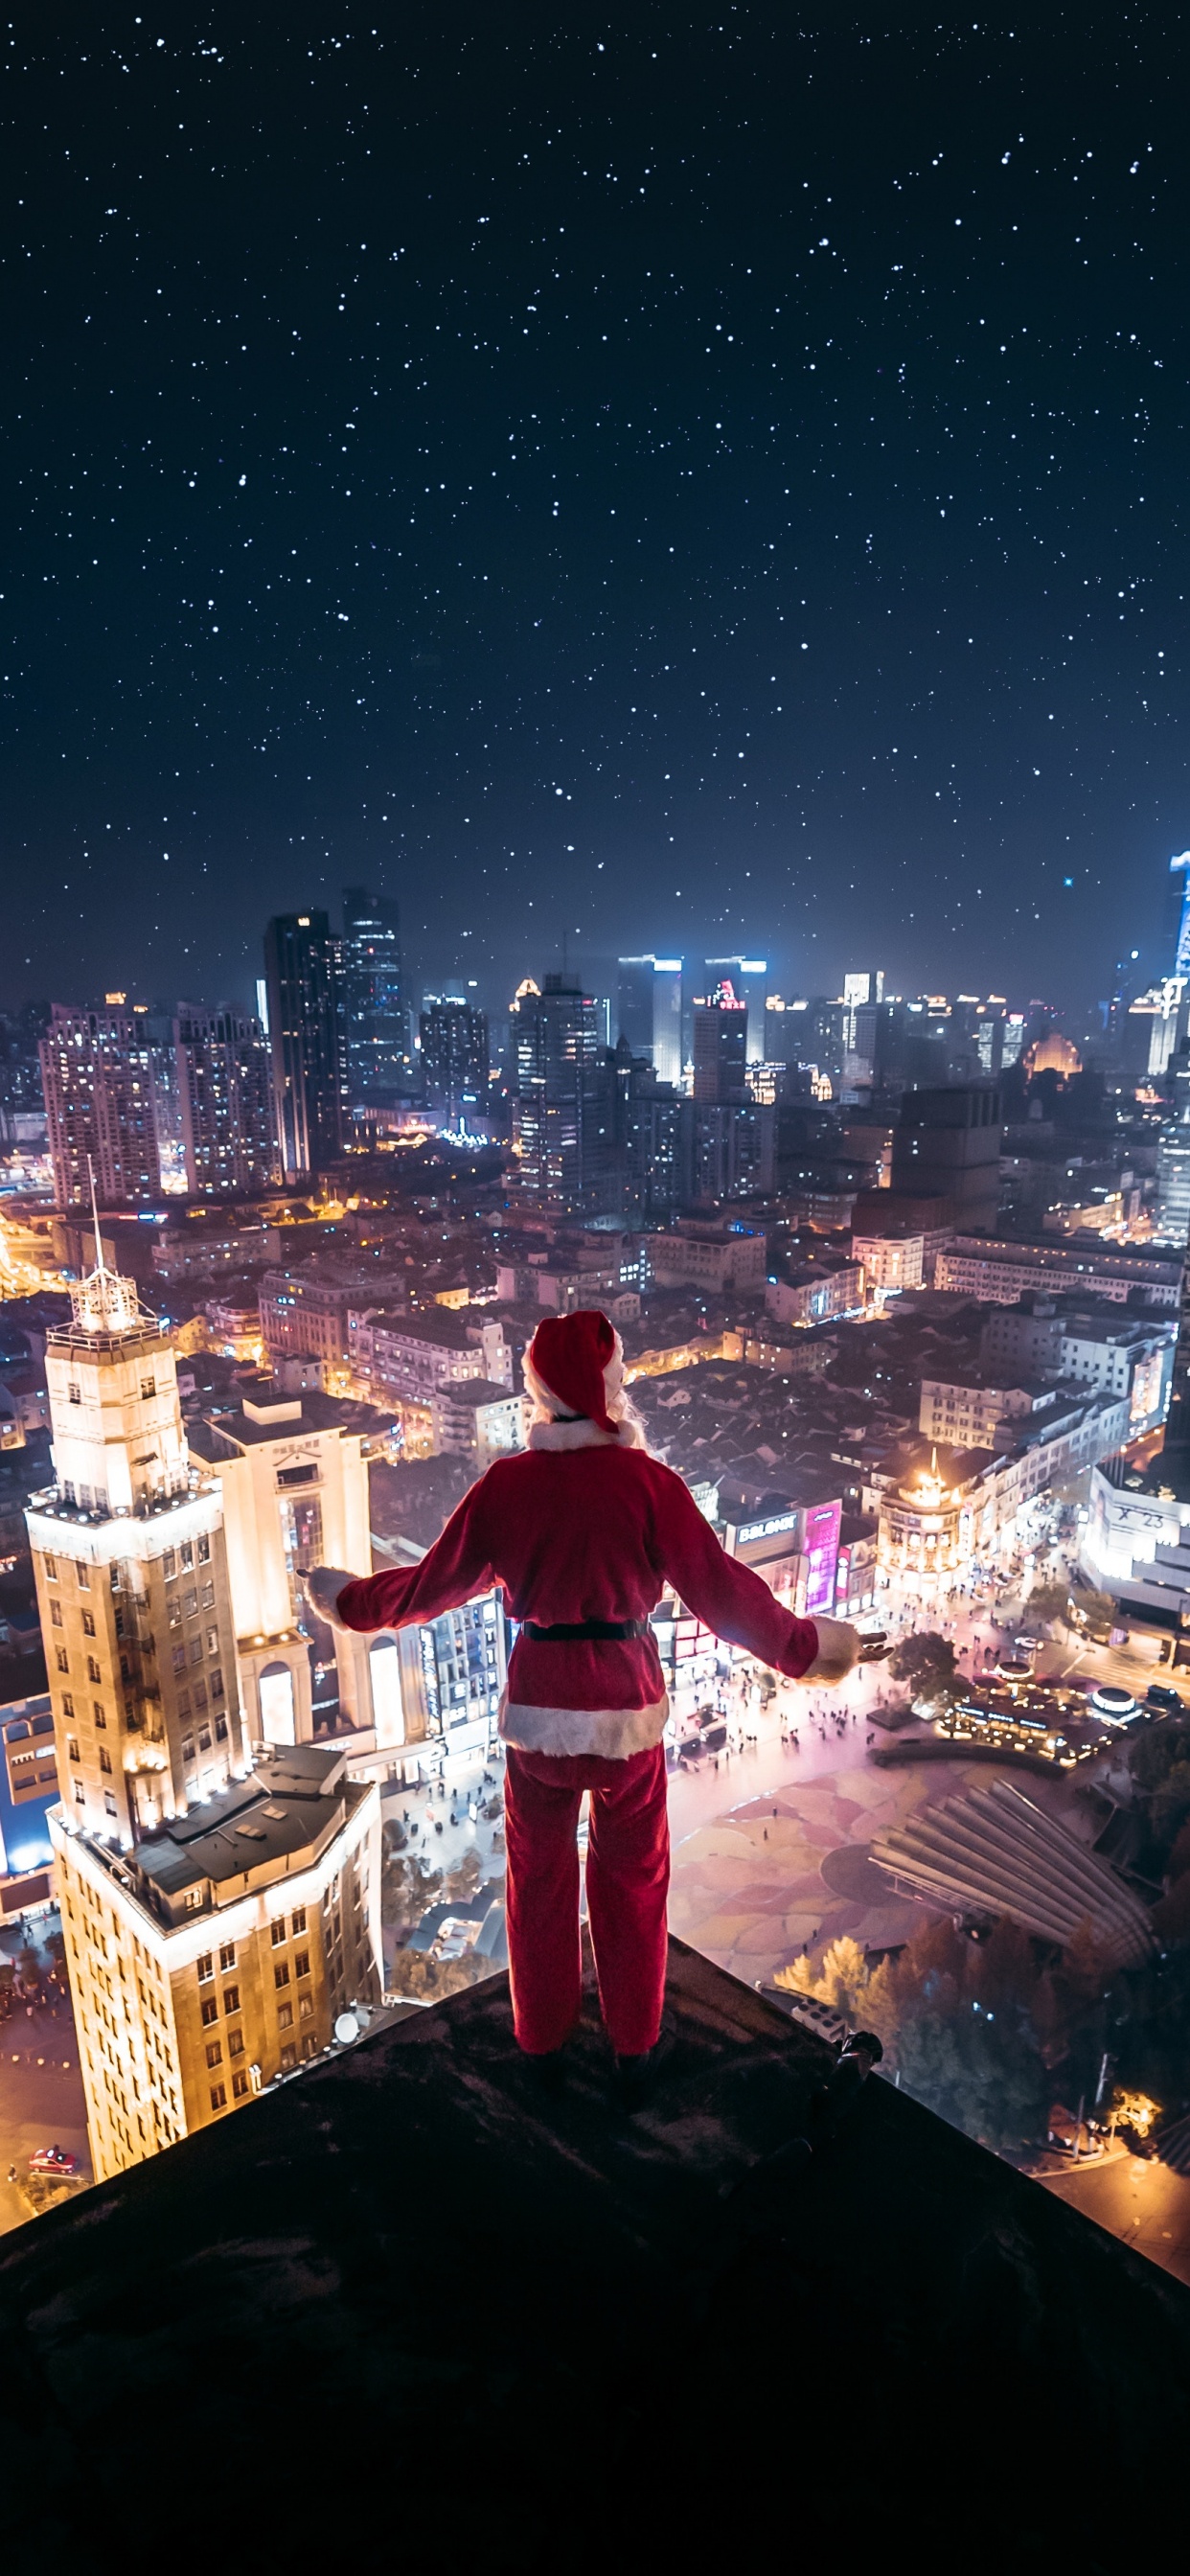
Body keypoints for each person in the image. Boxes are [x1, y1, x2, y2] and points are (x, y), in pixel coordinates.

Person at [304, 1308, 878, 2104]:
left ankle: (539, 2043)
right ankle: (634, 2048)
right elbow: (723, 1593)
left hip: (538, 1710)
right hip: (627, 1709)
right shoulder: (649, 1484)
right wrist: (806, 1650)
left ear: (538, 1392)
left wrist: (350, 1602)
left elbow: (427, 1588)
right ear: (610, 1389)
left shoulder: (505, 1486)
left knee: (536, 1879)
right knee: (633, 1881)